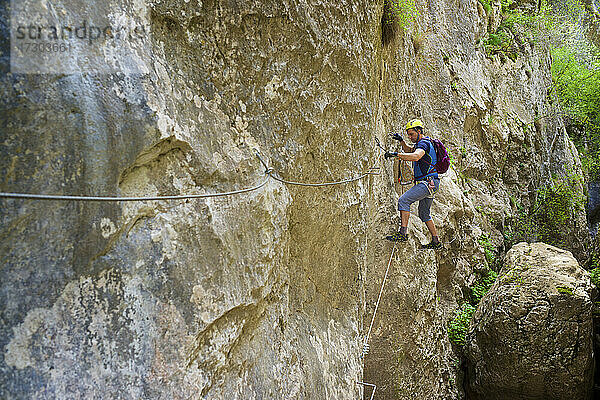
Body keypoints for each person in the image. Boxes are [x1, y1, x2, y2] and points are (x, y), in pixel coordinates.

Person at [384, 119, 442, 249]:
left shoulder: (424, 143)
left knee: (403, 200)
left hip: (427, 183)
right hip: (432, 183)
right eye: (408, 135)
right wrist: (401, 141)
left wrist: (396, 155)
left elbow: (416, 156)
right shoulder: (422, 143)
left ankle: (402, 233)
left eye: (412, 134)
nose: (410, 137)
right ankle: (436, 241)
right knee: (424, 213)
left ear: (419, 131)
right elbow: (410, 150)